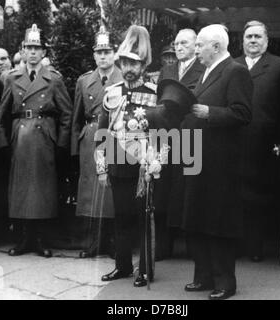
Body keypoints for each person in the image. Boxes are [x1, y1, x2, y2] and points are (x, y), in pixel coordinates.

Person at [182, 24, 253, 300]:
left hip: (222, 163)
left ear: (216, 46)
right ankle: (203, 277)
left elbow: (243, 113)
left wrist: (209, 112)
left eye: (200, 45)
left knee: (219, 222)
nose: (196, 49)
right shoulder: (207, 71)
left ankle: (226, 282)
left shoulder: (236, 71)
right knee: (199, 218)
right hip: (201, 158)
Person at [97, 25, 171, 287]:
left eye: (134, 63)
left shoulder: (154, 92)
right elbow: (102, 132)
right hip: (118, 163)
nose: (129, 67)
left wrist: (157, 162)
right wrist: (102, 167)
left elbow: (164, 134)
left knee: (144, 218)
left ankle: (146, 270)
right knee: (122, 217)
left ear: (143, 65)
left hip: (143, 166)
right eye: (125, 62)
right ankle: (123, 266)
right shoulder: (112, 92)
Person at [0, 24, 72, 258]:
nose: (32, 52)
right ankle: (24, 239)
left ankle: (40, 239)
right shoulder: (12, 78)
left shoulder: (54, 79)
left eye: (37, 48)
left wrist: (61, 143)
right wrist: (3, 143)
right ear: (22, 50)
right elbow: (2, 117)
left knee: (42, 190)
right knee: (21, 189)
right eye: (28, 47)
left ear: (44, 53)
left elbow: (67, 114)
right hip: (20, 137)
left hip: (44, 138)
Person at [235, 21, 280, 262]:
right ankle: (237, 245)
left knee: (260, 198)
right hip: (235, 144)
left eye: (258, 36)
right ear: (242, 41)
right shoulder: (232, 65)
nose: (253, 41)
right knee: (235, 197)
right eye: (249, 36)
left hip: (266, 145)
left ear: (267, 41)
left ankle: (256, 247)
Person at [71, 27, 123, 259]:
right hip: (90, 138)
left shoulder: (123, 79)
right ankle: (93, 243)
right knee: (91, 192)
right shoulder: (84, 81)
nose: (103, 56)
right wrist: (74, 148)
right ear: (94, 55)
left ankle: (113, 242)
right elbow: (76, 117)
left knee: (113, 190)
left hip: (116, 136)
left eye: (108, 51)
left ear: (115, 54)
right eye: (99, 52)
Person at [157, 28, 205, 260]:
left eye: (184, 43)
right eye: (176, 43)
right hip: (166, 136)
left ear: (196, 46)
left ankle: (192, 247)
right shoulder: (167, 70)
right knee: (164, 187)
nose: (178, 47)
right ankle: (164, 245)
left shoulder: (203, 68)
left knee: (186, 189)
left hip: (190, 135)